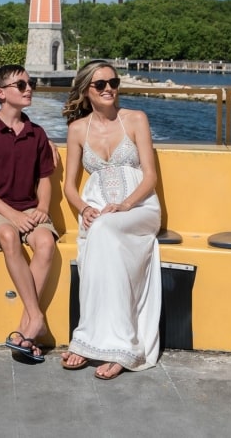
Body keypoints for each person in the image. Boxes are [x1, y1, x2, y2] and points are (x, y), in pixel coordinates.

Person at [59, 60, 163, 380]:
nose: (109, 89)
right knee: (97, 235)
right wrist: (83, 209)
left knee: (102, 231)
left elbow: (150, 176)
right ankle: (88, 339)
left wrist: (125, 205)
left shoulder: (135, 119)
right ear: (86, 90)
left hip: (139, 209)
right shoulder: (78, 129)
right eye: (100, 84)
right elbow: (69, 186)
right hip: (99, 213)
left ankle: (123, 346)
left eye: (113, 83)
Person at [0, 65, 58, 363]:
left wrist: (42, 208)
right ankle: (36, 317)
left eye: (30, 84)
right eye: (21, 85)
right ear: (1, 94)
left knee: (45, 242)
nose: (28, 88)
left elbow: (45, 178)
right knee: (7, 235)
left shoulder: (37, 134)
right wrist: (11, 216)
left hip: (29, 207)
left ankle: (23, 329)